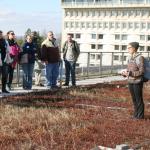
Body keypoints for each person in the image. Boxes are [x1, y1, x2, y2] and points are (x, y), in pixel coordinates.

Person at [121, 42, 145, 119]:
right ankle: (135, 115)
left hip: (137, 81)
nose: (128, 49)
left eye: (129, 48)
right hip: (130, 81)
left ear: (134, 48)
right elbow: (128, 70)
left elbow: (142, 71)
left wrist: (130, 73)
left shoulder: (140, 57)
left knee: (138, 99)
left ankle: (140, 117)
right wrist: (124, 73)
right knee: (134, 99)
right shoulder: (128, 58)